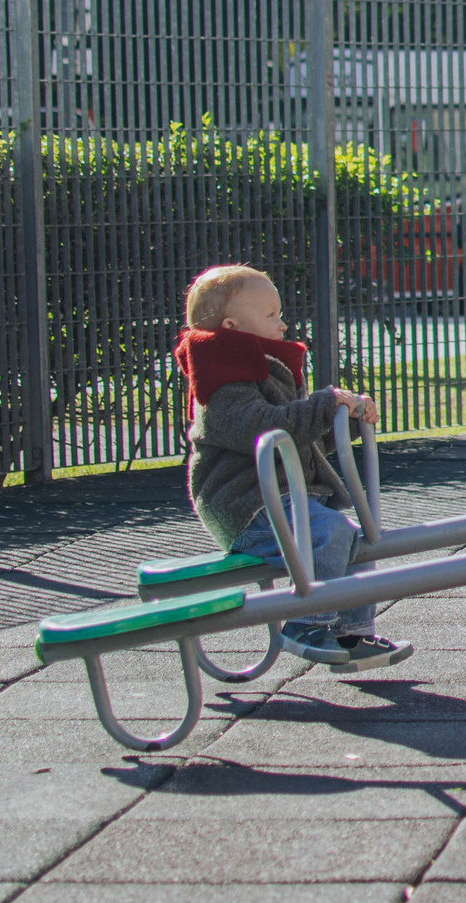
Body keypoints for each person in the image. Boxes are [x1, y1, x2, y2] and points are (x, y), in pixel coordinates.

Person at [176, 264, 412, 672]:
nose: (283, 324)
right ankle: (305, 624)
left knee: (351, 541)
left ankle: (351, 632)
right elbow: (262, 431)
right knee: (330, 533)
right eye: (271, 315)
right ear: (233, 326)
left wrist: (346, 420)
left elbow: (300, 437)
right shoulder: (222, 384)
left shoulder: (266, 368)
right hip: (245, 507)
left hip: (281, 499)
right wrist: (324, 405)